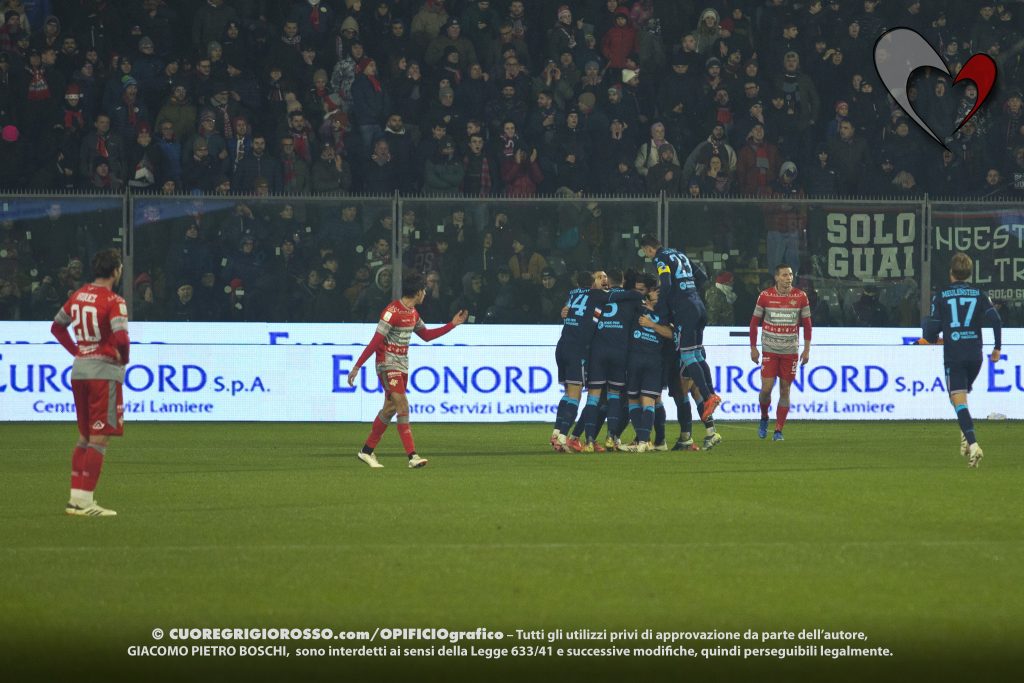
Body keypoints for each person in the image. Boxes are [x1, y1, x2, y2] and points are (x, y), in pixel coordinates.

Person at [347, 272, 468, 468]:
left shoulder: (412, 313)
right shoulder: (391, 311)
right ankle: (412, 456)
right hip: (387, 364)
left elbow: (426, 336)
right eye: (424, 291)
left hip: (402, 365)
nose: (425, 294)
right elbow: (375, 341)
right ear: (418, 292)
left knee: (390, 409)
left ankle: (366, 451)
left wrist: (452, 325)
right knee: (403, 406)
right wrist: (357, 366)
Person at [49, 249, 129, 517]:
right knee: (99, 438)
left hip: (80, 371)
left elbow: (57, 327)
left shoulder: (79, 295)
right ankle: (85, 502)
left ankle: (76, 499)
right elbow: (121, 339)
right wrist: (124, 359)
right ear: (116, 270)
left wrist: (77, 351)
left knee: (85, 436)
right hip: (103, 373)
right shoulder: (114, 301)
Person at [921, 252, 1002, 468]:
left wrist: (932, 335)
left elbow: (930, 332)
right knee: (959, 398)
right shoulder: (979, 294)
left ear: (951, 273)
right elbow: (996, 320)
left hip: (955, 355)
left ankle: (973, 444)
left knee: (958, 401)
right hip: (975, 356)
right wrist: (997, 348)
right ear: (969, 273)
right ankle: (965, 434)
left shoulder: (941, 296)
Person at [639, 234, 722, 426]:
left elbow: (667, 284)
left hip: (685, 311)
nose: (648, 255)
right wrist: (688, 292)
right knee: (697, 354)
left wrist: (664, 308)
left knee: (687, 355)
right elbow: (702, 277)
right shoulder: (680, 254)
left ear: (649, 248)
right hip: (698, 306)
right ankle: (711, 394)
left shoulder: (660, 258)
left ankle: (709, 396)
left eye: (645, 252)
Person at [749, 263, 812, 441]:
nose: (788, 278)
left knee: (785, 390)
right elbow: (754, 323)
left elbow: (807, 325)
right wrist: (753, 348)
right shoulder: (765, 296)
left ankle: (778, 430)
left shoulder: (801, 296)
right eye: (784, 275)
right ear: (776, 277)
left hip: (790, 351)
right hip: (769, 350)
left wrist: (806, 350)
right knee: (766, 389)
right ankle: (764, 417)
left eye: (790, 275)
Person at [550, 270, 601, 451]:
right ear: (593, 283)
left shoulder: (572, 295)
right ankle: (563, 438)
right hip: (577, 350)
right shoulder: (597, 296)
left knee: (567, 392)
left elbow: (567, 311)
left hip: (562, 346)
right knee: (575, 394)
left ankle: (556, 432)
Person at [623, 275, 674, 452]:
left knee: (649, 400)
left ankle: (647, 441)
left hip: (654, 362)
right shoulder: (638, 308)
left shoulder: (665, 314)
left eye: (657, 293)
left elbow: (671, 334)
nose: (654, 295)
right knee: (633, 400)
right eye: (653, 292)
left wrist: (652, 325)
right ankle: (644, 440)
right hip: (634, 360)